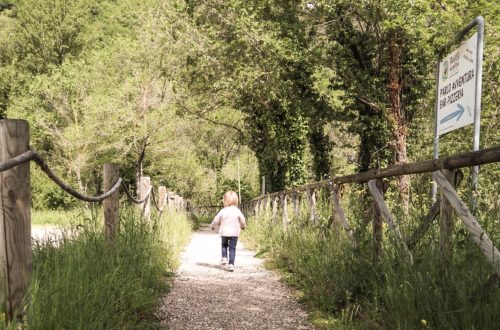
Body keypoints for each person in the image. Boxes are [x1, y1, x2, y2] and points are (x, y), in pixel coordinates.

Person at [210, 191, 246, 272]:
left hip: (224, 233)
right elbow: (242, 220)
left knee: (224, 245)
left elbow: (216, 220)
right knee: (232, 248)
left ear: (225, 200)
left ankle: (224, 258)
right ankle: (231, 265)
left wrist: (212, 226)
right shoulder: (237, 211)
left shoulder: (223, 210)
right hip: (234, 233)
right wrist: (243, 226)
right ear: (236, 200)